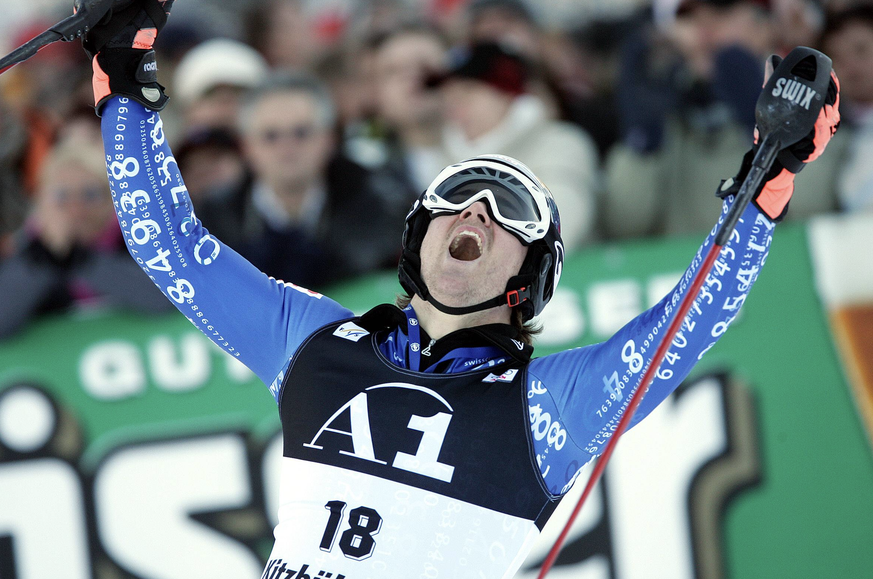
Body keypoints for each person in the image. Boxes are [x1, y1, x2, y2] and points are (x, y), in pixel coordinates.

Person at [81, 1, 839, 577]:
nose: (476, 208)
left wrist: (765, 182)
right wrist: (122, 80)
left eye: (509, 210)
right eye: (457, 195)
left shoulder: (542, 409)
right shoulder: (313, 342)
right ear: (418, 237)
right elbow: (172, 251)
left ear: (526, 280)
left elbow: (687, 321)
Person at [196, 71, 409, 287]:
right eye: (271, 136)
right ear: (246, 147)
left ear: (329, 139)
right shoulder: (212, 222)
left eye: (301, 133)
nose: (287, 148)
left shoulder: (380, 207)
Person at [0, 138, 171, 340]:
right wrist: (47, 255)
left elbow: (166, 300)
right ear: (41, 201)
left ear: (111, 201)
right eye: (62, 196)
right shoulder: (24, 252)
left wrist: (79, 259)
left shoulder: (140, 241)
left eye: (89, 195)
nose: (75, 208)